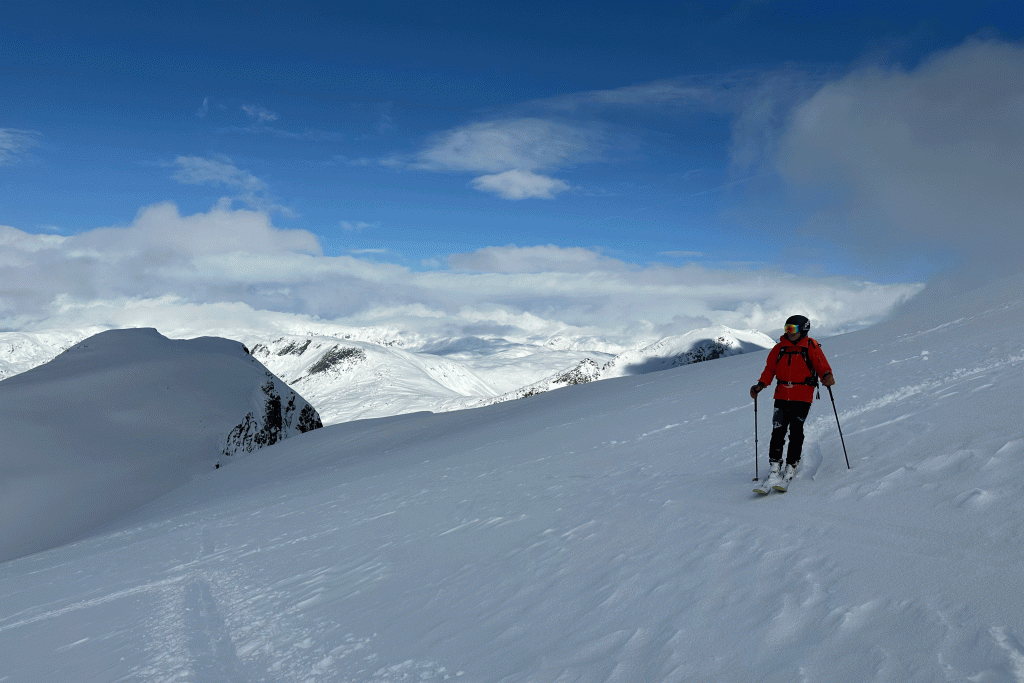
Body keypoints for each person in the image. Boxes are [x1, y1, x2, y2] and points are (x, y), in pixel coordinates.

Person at [750, 315, 835, 486]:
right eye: (786, 328)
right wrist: (760, 385)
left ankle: (792, 464)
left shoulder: (811, 346)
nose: (789, 332)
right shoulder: (779, 348)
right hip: (781, 395)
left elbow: (821, 365)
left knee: (796, 431)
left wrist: (827, 376)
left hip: (803, 396)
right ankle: (775, 465)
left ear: (803, 329)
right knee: (778, 431)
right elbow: (770, 369)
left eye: (792, 328)